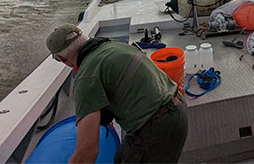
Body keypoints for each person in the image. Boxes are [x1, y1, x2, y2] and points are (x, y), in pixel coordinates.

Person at [46, 24, 189, 163]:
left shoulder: (86, 78)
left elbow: (87, 151)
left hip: (158, 125)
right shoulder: (115, 46)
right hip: (177, 106)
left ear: (61, 59)